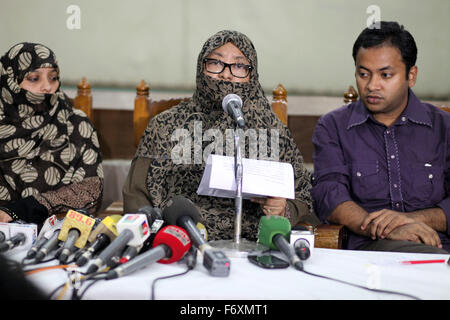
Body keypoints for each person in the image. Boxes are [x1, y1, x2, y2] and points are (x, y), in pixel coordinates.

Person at [123, 30, 319, 241]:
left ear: (252, 75)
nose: (226, 74)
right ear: (201, 67)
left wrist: (283, 209)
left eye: (239, 66)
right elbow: (137, 196)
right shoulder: (165, 126)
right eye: (216, 63)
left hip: (254, 245)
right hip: (180, 241)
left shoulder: (272, 131)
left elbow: (303, 192)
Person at [311, 21, 449, 253]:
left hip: (440, 249)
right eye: (363, 74)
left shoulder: (444, 127)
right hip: (371, 252)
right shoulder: (333, 127)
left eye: (385, 75)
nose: (372, 85)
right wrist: (385, 229)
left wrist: (411, 221)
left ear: (411, 75)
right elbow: (329, 196)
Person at [0, 42, 103, 225]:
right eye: (34, 78)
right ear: (10, 81)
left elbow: (91, 189)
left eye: (53, 78)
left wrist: (33, 206)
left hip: (57, 237)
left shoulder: (75, 123)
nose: (47, 87)